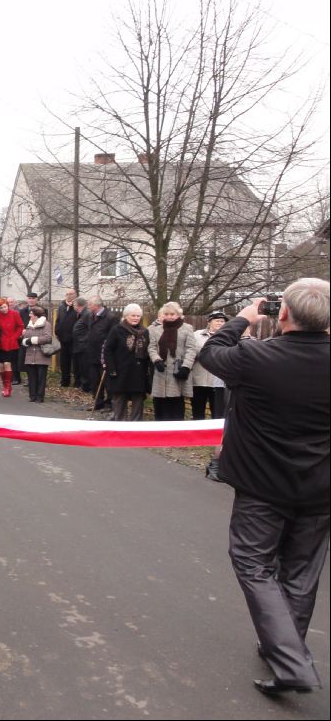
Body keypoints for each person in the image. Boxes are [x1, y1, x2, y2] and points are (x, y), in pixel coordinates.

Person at [197, 279, 330, 695]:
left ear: (283, 313)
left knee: (253, 565)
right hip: (321, 487)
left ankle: (291, 662)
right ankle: (285, 650)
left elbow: (210, 352)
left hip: (262, 485)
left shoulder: (255, 356)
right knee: (301, 572)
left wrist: (244, 318)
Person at [147, 301, 197, 420]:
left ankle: (176, 427)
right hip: (161, 372)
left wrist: (186, 367)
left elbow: (191, 349)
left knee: (176, 401)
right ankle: (161, 427)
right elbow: (151, 347)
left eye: (172, 314)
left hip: (178, 371)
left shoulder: (187, 328)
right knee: (160, 402)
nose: (169, 316)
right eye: (166, 314)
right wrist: (156, 360)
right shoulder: (156, 330)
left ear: (178, 315)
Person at [103, 304, 151, 421]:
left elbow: (148, 351)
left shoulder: (144, 331)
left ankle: (135, 426)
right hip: (120, 371)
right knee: (120, 399)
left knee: (138, 399)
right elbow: (108, 349)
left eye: (138, 316)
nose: (136, 318)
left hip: (139, 372)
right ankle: (120, 424)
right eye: (133, 315)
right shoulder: (117, 330)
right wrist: (111, 369)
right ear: (126, 316)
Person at [190, 312, 228, 420]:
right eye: (217, 321)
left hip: (218, 382)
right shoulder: (197, 335)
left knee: (217, 413)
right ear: (209, 322)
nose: (220, 323)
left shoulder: (228, 336)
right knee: (198, 412)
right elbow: (190, 351)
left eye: (222, 321)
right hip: (198, 380)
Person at [86, 297, 119, 410]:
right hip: (92, 352)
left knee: (107, 380)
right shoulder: (91, 316)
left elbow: (113, 336)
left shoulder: (110, 317)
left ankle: (109, 403)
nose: (88, 306)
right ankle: (98, 402)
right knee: (94, 379)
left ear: (96, 305)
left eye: (90, 304)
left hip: (104, 354)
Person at [21, 306, 53, 402]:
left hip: (41, 355)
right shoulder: (29, 324)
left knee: (41, 378)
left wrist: (32, 340)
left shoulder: (46, 324)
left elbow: (48, 338)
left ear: (36, 315)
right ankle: (32, 396)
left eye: (31, 313)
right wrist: (25, 340)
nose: (29, 315)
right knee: (31, 377)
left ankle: (40, 397)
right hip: (30, 355)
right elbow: (25, 339)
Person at [0, 298, 24, 397]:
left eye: (5, 307)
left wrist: (14, 337)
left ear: (8, 306)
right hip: (0, 343)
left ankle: (8, 386)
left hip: (11, 343)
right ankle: (4, 385)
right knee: (1, 366)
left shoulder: (15, 314)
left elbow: (20, 326)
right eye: (1, 308)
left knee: (7, 364)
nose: (4, 309)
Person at [55, 289, 78, 387]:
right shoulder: (62, 306)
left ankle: (77, 382)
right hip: (63, 338)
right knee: (64, 361)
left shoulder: (77, 306)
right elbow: (58, 320)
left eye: (71, 294)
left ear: (75, 295)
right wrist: (57, 331)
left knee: (76, 361)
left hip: (74, 339)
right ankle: (65, 381)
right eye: (67, 294)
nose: (69, 296)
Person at [71, 297, 91, 390]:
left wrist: (84, 340)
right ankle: (81, 383)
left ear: (79, 305)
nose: (73, 306)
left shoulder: (87, 314)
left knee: (84, 367)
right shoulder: (81, 314)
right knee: (79, 366)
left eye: (74, 305)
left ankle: (86, 386)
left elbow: (91, 329)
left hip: (84, 346)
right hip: (79, 345)